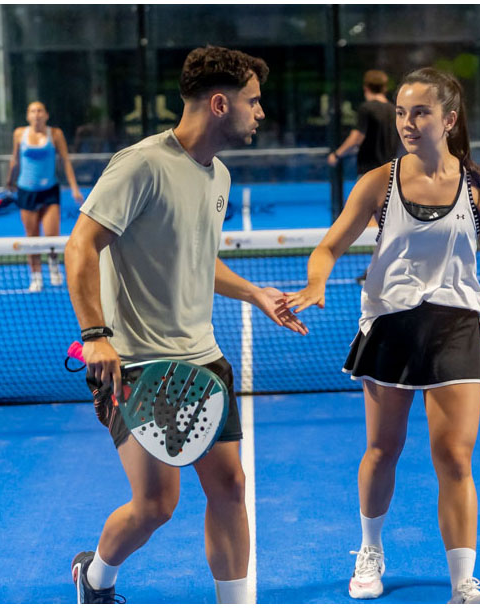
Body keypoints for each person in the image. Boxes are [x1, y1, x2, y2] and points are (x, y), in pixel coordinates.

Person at [64, 46, 307, 604]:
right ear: (220, 104)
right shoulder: (142, 165)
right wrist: (96, 335)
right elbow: (80, 245)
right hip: (136, 364)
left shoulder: (218, 175)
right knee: (156, 506)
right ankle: (94, 578)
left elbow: (197, 256)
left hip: (203, 359)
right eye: (253, 101)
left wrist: (254, 293)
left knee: (231, 486)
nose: (261, 112)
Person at [288, 67, 480, 604]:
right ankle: (370, 550)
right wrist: (316, 282)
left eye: (420, 112)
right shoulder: (378, 182)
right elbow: (328, 247)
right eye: (401, 112)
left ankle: (463, 584)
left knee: (455, 458)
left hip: (456, 328)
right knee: (382, 450)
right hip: (390, 326)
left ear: (449, 119)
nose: (407, 122)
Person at [6, 101, 84, 292]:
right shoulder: (19, 134)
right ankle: (36, 276)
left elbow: (66, 161)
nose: (37, 114)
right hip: (26, 191)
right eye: (33, 111)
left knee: (51, 235)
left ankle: (54, 266)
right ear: (28, 116)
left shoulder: (55, 134)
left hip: (50, 191)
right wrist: (9, 180)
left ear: (46, 115)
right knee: (31, 238)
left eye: (40, 110)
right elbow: (15, 159)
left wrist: (74, 188)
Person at [329, 69, 401, 229]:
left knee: (363, 216)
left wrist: (337, 155)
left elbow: (356, 137)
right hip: (391, 173)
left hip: (369, 173)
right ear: (384, 88)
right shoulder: (394, 110)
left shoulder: (366, 108)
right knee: (384, 218)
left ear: (366, 88)